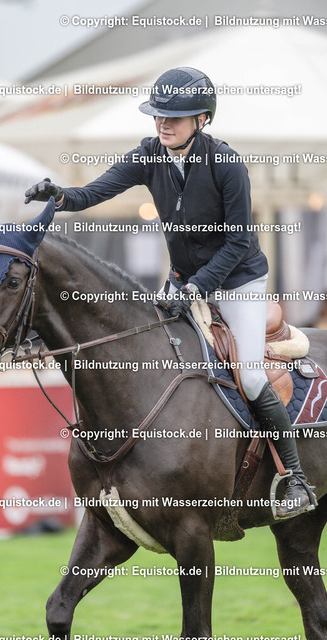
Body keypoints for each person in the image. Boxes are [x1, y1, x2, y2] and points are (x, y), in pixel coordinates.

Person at [24, 67, 316, 519]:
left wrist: (198, 286)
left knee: (252, 377)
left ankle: (294, 477)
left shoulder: (227, 165)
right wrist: (59, 195)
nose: (162, 123)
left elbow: (239, 241)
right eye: (157, 115)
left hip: (238, 282)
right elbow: (94, 193)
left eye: (173, 117)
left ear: (202, 119)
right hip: (183, 280)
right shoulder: (149, 154)